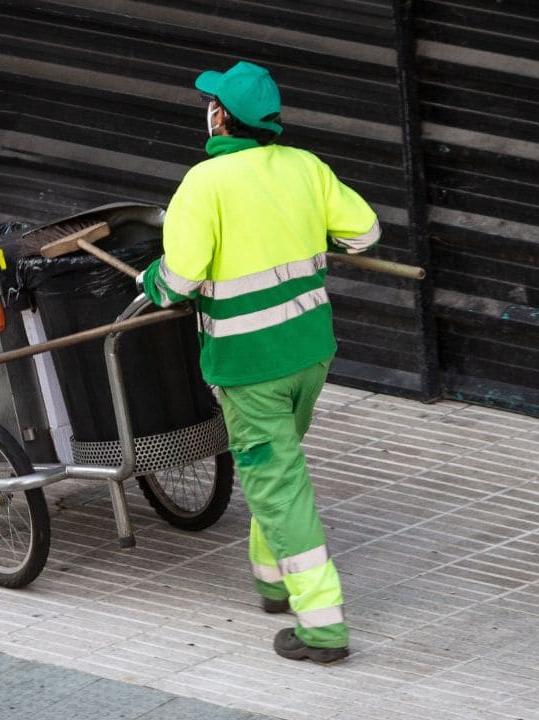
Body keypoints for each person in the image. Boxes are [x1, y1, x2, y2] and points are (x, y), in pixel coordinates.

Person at [138, 60, 381, 663]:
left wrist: (151, 281)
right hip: (310, 354)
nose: (207, 111)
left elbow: (181, 279)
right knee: (277, 471)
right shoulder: (305, 167)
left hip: (251, 366)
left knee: (278, 483)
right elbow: (365, 235)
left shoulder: (204, 183)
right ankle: (272, 584)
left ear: (222, 117)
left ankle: (322, 626)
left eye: (211, 103)